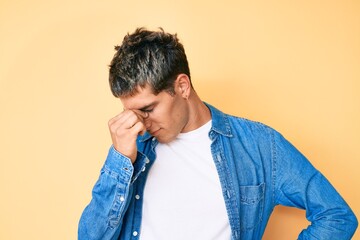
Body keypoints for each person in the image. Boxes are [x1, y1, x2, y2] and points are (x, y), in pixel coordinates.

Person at [78, 28, 358, 240]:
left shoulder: (259, 146)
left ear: (182, 86)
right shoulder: (131, 148)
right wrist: (120, 161)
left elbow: (336, 216)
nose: (139, 122)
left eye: (148, 108)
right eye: (132, 112)